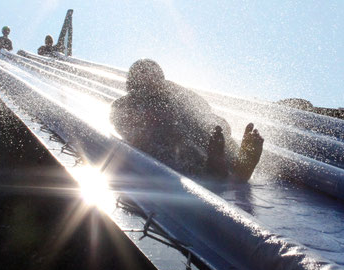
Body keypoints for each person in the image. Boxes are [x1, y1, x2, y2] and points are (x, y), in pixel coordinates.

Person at [110, 59, 264, 180]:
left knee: (209, 132)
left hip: (188, 131)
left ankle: (237, 162)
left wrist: (220, 126)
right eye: (143, 78)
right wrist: (148, 124)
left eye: (153, 77)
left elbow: (203, 111)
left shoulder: (174, 93)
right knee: (171, 141)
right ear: (133, 84)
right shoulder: (124, 105)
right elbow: (123, 127)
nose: (150, 83)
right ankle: (213, 168)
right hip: (167, 142)